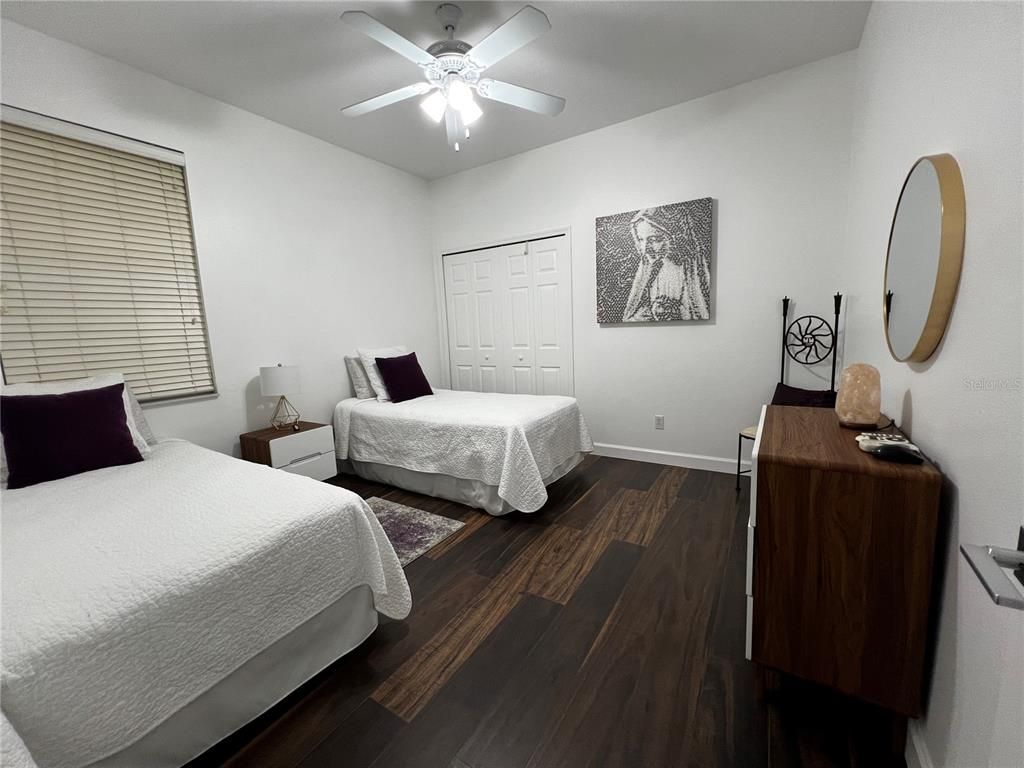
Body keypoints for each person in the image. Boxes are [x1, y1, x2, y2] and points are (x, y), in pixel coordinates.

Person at [622, 205, 711, 321]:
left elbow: (698, 314)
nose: (645, 249)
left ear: (675, 238)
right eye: (641, 239)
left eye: (654, 240)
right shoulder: (651, 271)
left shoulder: (689, 273)